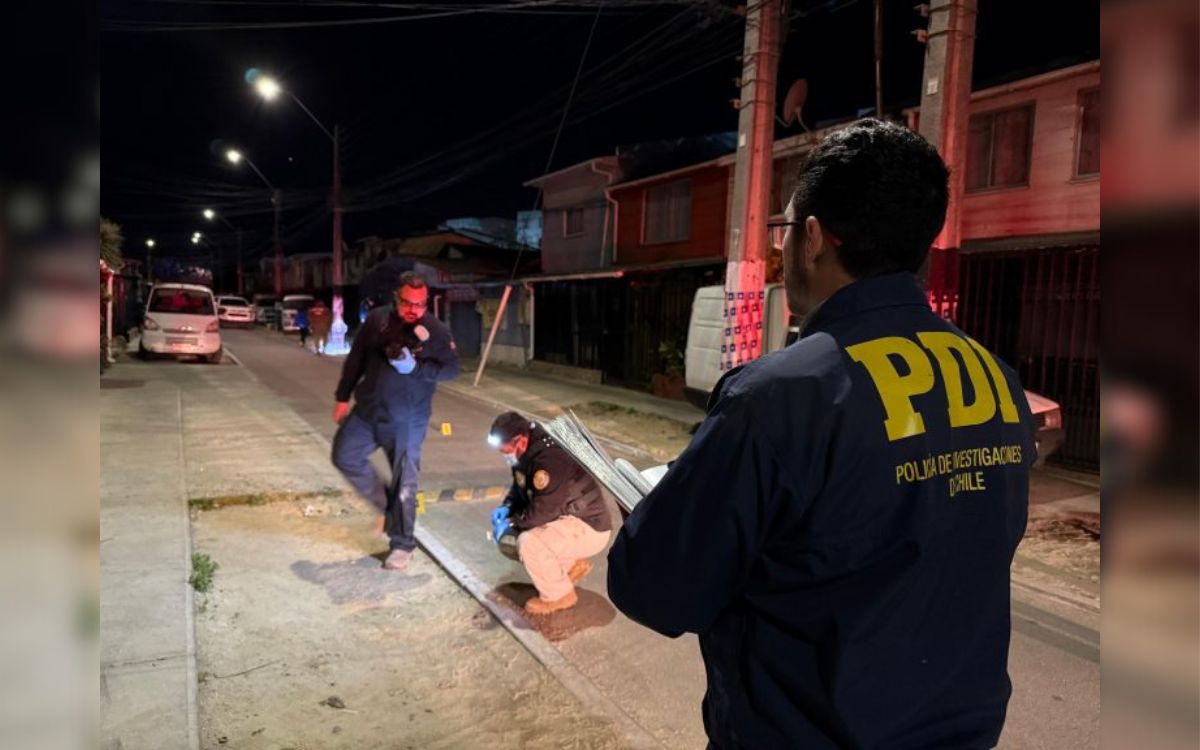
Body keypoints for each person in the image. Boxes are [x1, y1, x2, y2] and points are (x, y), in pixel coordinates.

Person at [607, 119, 1036, 749]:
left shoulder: (778, 396)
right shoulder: (996, 378)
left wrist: (652, 518)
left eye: (783, 230)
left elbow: (659, 591)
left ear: (812, 238)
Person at [331, 272, 461, 570]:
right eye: (407, 303)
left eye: (420, 304)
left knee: (405, 483)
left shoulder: (436, 331)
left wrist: (417, 369)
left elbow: (452, 369)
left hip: (407, 421)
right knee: (344, 455)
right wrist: (342, 396)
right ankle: (388, 509)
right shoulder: (377, 320)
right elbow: (356, 359)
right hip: (368, 412)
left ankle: (402, 544)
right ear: (396, 298)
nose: (414, 310)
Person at [487, 411, 612, 615]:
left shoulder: (550, 458)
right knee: (522, 536)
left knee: (528, 542)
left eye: (505, 448)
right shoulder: (525, 454)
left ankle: (559, 596)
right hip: (568, 521)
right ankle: (570, 567)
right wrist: (507, 507)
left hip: (589, 528)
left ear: (520, 440)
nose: (503, 453)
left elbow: (543, 511)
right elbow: (519, 489)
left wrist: (512, 522)